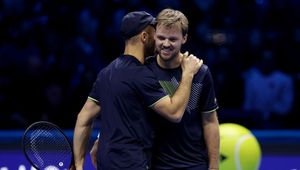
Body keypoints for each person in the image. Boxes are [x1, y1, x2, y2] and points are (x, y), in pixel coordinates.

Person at [90, 8, 220, 170]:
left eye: (172, 39)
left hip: (194, 163)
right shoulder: (142, 71)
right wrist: (101, 138)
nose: (166, 44)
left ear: (184, 38)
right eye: (161, 38)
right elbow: (121, 110)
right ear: (154, 36)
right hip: (154, 163)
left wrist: (214, 165)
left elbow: (210, 121)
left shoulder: (200, 72)